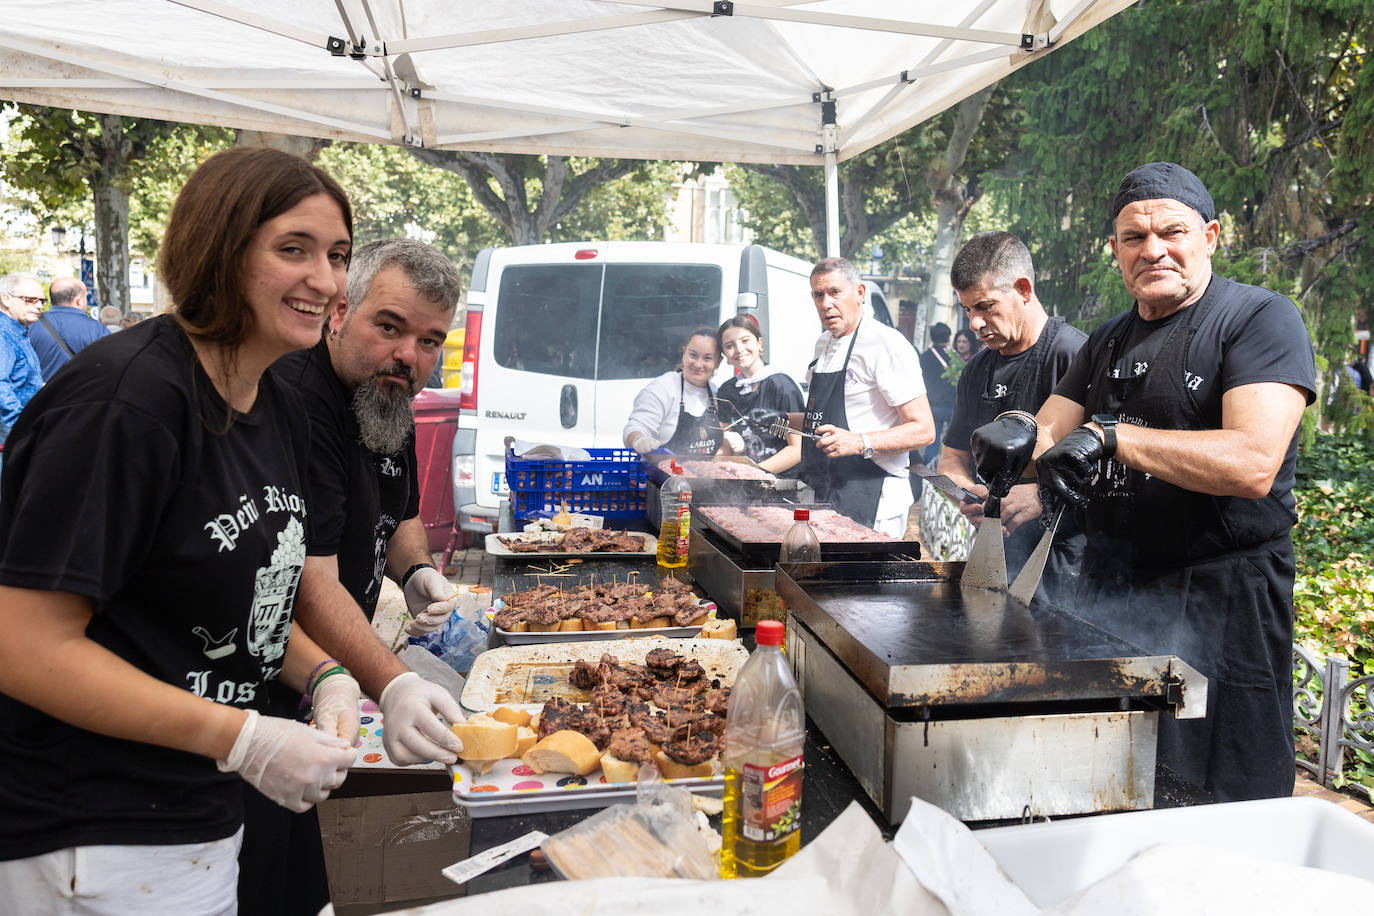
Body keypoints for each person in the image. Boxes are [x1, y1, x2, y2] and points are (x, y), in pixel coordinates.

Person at [0, 147, 361, 913]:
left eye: (337, 256)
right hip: (90, 832)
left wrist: (325, 674)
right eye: (293, 249)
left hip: (195, 812)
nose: (326, 281)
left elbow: (234, 599)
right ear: (218, 249)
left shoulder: (275, 402)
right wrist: (243, 737)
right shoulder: (126, 403)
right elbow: (23, 645)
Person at [971, 162, 1316, 804]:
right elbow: (1048, 435)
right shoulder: (1107, 340)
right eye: (1134, 237)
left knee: (1219, 791)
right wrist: (1014, 434)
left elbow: (1252, 462)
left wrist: (1114, 437)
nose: (1153, 250)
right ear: (1115, 249)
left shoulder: (1259, 318)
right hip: (1114, 592)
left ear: (1209, 236)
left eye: (1172, 232)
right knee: (1113, 775)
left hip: (1222, 597)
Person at [249, 238, 466, 914]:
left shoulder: (387, 393)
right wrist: (392, 683)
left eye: (429, 341)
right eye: (390, 327)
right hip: (262, 698)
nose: (408, 355)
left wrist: (417, 570)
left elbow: (400, 511)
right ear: (340, 312)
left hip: (327, 693)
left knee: (310, 879)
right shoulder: (297, 400)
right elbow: (309, 584)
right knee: (263, 883)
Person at [940, 232, 1087, 607]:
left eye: (985, 306)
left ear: (1024, 289)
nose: (974, 323)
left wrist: (1042, 495)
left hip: (1064, 561)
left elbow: (1109, 466)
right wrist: (965, 492)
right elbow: (952, 456)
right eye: (967, 310)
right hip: (994, 553)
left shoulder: (1076, 356)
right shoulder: (976, 370)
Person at [793, 257, 934, 535]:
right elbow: (825, 417)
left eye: (835, 292)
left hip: (873, 494)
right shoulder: (823, 344)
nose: (826, 303)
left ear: (860, 293)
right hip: (825, 488)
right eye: (819, 295)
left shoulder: (885, 343)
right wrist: (784, 419)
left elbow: (924, 430)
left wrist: (860, 442)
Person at [715, 314, 804, 473]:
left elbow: (797, 448)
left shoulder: (782, 385)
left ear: (759, 343)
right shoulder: (726, 391)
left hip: (783, 479)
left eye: (745, 341)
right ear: (725, 356)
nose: (739, 349)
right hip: (744, 478)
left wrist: (754, 472)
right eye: (729, 346)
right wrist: (711, 467)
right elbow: (726, 447)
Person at [624, 327, 724, 457]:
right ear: (684, 353)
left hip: (705, 470)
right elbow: (635, 428)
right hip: (659, 469)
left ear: (718, 362)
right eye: (693, 355)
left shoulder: (717, 394)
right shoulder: (662, 388)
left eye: (707, 358)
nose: (698, 364)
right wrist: (638, 439)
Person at [0, 273, 46, 465]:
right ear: (6, 299)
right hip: (10, 439)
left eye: (42, 301)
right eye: (30, 300)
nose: (39, 305)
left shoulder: (17, 332)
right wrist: (21, 426)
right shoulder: (3, 334)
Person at [28, 277, 109, 380]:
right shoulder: (98, 330)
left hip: (42, 389)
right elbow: (108, 366)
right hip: (81, 389)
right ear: (78, 300)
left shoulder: (31, 325)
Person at [917, 321, 956, 466]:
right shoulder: (953, 357)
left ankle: (929, 472)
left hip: (931, 406)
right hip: (951, 407)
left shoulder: (924, 357)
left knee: (932, 442)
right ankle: (950, 469)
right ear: (948, 337)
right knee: (953, 443)